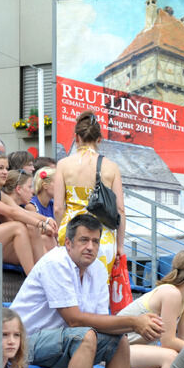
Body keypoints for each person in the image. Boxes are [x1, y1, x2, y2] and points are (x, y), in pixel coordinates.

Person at [9, 214, 160, 368]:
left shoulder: (97, 268)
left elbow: (100, 321)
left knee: (120, 340)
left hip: (63, 342)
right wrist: (133, 322)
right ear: (68, 243)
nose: (90, 246)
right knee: (86, 336)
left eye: (95, 241)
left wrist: (133, 327)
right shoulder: (55, 262)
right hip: (25, 342)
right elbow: (74, 320)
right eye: (84, 240)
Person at [116, 249, 184, 368]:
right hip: (116, 347)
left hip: (133, 347)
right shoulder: (171, 293)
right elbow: (168, 341)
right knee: (170, 356)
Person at [54, 110, 124, 276]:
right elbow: (120, 210)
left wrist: (60, 236)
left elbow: (58, 208)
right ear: (99, 139)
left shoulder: (63, 165)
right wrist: (120, 246)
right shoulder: (111, 167)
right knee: (98, 291)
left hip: (72, 234)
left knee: (70, 287)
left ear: (77, 137)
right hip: (102, 237)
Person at [1, 169, 56, 253]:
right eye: (30, 187)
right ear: (18, 189)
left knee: (47, 238)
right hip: (1, 247)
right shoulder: (5, 204)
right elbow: (24, 225)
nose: (33, 191)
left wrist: (47, 220)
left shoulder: (16, 206)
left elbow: (26, 214)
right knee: (42, 237)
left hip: (9, 246)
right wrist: (44, 226)